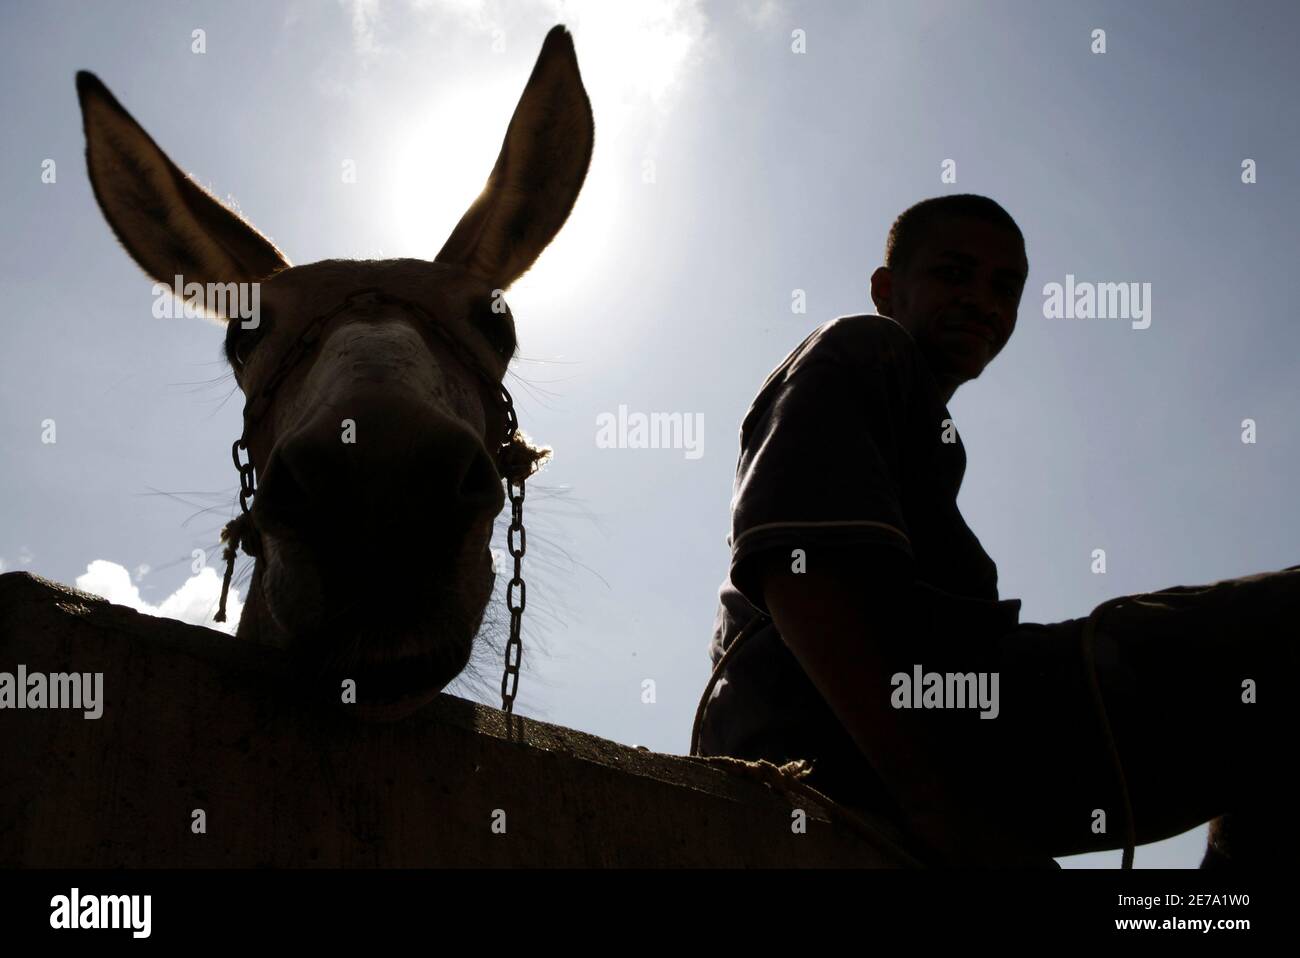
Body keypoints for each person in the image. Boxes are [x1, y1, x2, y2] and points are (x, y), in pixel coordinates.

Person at [694, 194, 1298, 867]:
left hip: (945, 727)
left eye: (1004, 288)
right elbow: (801, 572)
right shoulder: (867, 346)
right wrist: (941, 808)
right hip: (845, 743)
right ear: (887, 289)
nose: (983, 301)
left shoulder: (931, 441)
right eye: (954, 274)